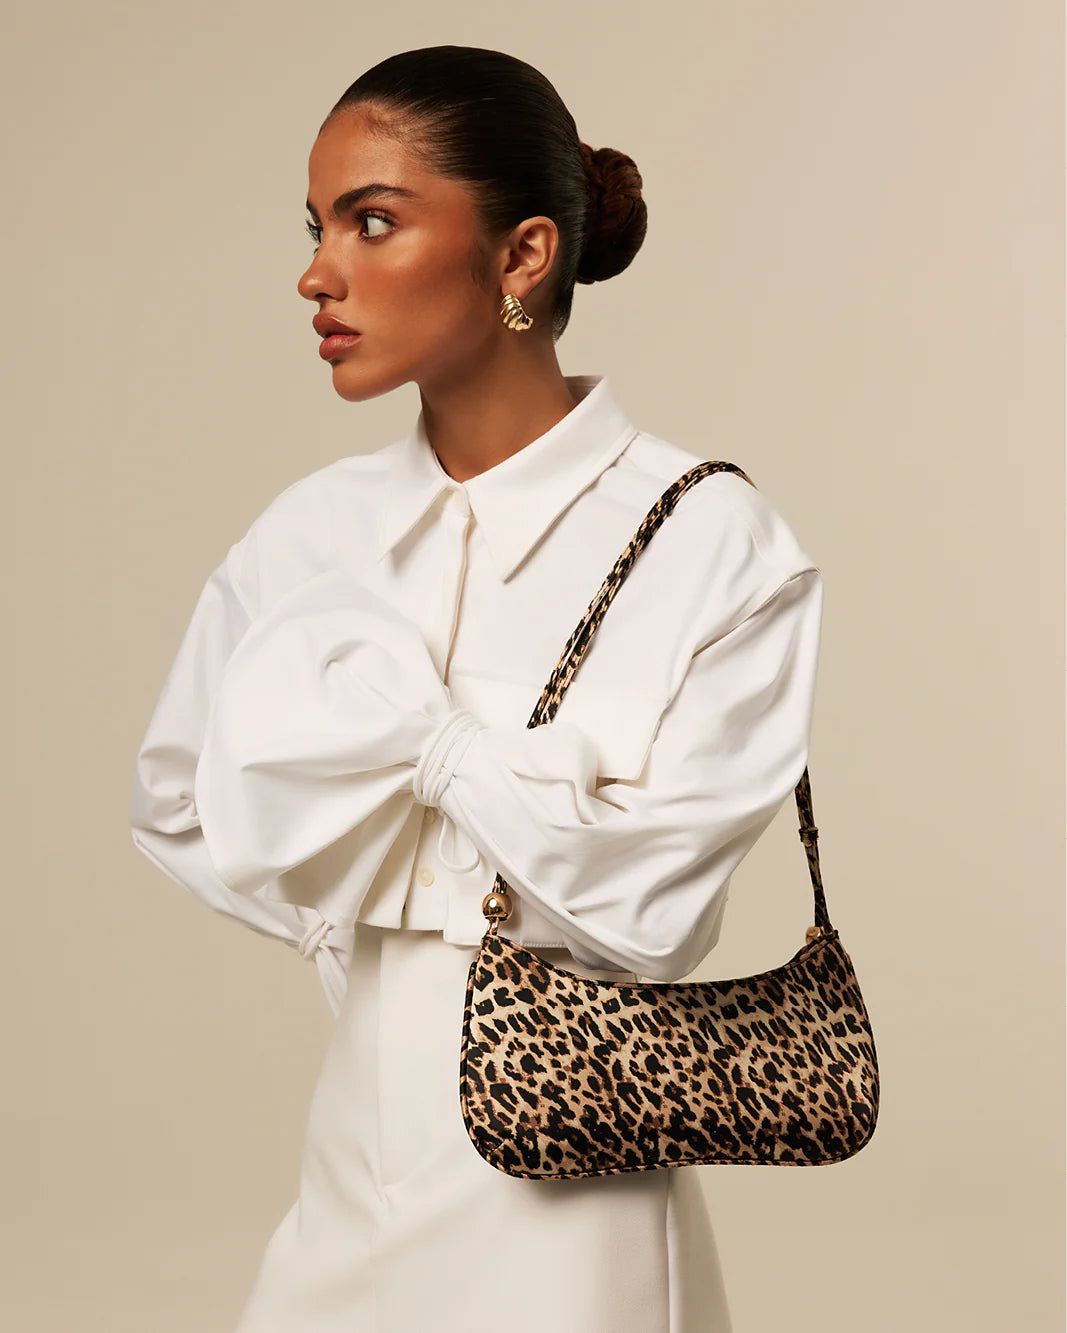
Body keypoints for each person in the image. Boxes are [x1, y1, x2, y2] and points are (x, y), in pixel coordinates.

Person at [128, 44, 824, 1333]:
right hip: (352, 1157)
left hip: (572, 1176)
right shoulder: (310, 535)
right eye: (317, 226)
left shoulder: (709, 540)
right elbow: (178, 801)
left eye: (371, 221)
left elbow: (653, 914)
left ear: (523, 256)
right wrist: (355, 925)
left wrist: (439, 771)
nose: (317, 273)